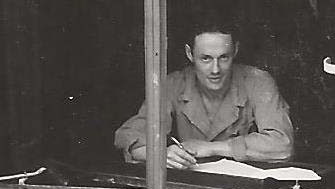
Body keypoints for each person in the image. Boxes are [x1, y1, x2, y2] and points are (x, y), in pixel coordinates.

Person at [114, 17, 294, 169]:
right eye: (206, 58)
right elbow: (130, 137)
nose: (215, 69)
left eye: (224, 57)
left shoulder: (258, 81)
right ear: (189, 54)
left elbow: (282, 144)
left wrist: (211, 148)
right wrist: (159, 154)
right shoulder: (172, 85)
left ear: (235, 51)